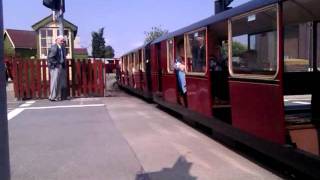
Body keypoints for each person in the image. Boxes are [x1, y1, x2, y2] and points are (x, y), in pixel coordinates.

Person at [48, 35, 67, 101]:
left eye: (63, 40)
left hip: (59, 66)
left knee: (58, 82)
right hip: (55, 67)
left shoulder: (61, 47)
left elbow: (63, 57)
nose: (62, 42)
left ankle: (56, 96)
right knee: (54, 82)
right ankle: (52, 97)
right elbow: (51, 58)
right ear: (57, 40)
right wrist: (57, 64)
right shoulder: (54, 47)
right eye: (61, 40)